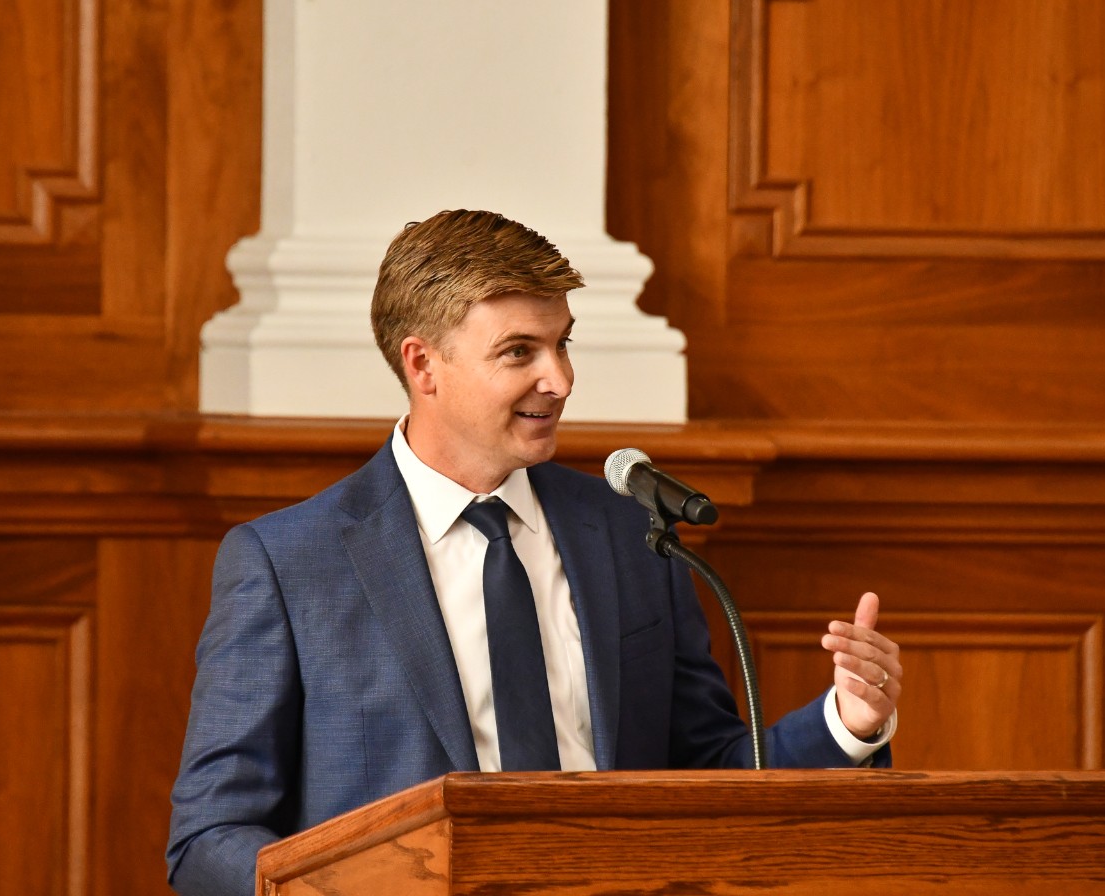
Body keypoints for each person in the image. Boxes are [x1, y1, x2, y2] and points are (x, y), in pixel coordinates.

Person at [166, 209, 902, 896]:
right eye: (520, 351)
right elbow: (208, 838)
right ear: (423, 365)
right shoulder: (290, 563)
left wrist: (847, 721)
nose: (560, 380)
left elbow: (709, 771)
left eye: (563, 343)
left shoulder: (628, 535)